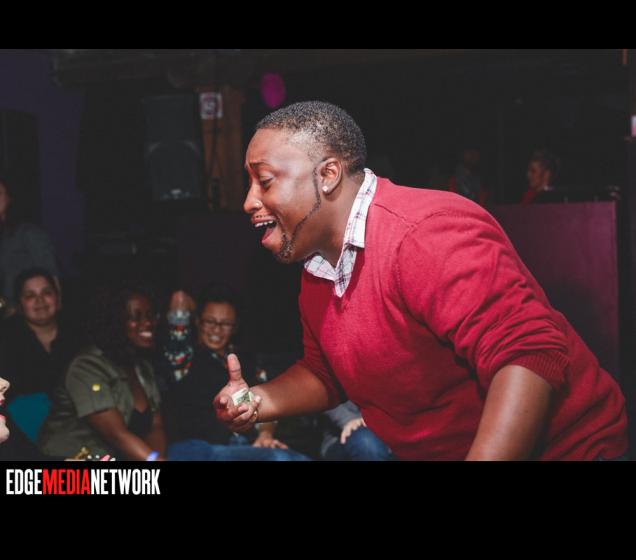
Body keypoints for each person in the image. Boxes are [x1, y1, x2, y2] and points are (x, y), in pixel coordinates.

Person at [213, 101, 627, 461]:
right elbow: (326, 373)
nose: (249, 201)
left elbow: (528, 355)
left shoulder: (424, 233)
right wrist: (257, 400)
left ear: (328, 174)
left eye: (265, 181)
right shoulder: (320, 268)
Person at [161, 285, 310, 461]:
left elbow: (263, 402)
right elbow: (179, 298)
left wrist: (265, 435)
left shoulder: (246, 361)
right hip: (197, 449)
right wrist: (198, 310)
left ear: (235, 327)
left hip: (242, 447)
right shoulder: (182, 356)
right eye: (210, 321)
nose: (217, 329)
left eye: (225, 324)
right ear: (197, 321)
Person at [39, 285, 167, 461]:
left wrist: (156, 460)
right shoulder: (87, 366)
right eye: (135, 317)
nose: (147, 323)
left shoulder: (142, 366)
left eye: (150, 316)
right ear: (116, 322)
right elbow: (116, 435)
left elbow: (155, 426)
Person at [0, 268, 81, 442]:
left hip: (79, 419)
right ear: (19, 303)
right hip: (23, 428)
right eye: (30, 295)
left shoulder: (78, 332)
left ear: (58, 297)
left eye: (46, 293)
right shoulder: (5, 337)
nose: (40, 301)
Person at [0, 175, 60, 315]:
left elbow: (51, 276)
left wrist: (54, 313)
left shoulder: (28, 232)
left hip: (29, 313)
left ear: (9, 198)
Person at [321, 401, 394, 461]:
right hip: (341, 438)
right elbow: (324, 398)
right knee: (366, 441)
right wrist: (347, 419)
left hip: (387, 432)